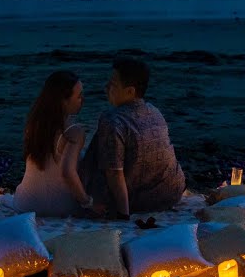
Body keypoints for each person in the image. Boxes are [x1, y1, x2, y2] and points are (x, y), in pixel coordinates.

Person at [79, 55, 186, 219]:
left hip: (139, 201)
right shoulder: (154, 111)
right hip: (171, 192)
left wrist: (123, 214)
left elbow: (114, 172)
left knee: (90, 152)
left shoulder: (112, 119)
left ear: (130, 91)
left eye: (113, 84)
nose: (106, 87)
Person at [12, 70, 96, 217]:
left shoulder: (34, 126)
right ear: (63, 100)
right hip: (60, 208)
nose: (83, 99)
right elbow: (67, 172)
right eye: (79, 96)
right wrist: (88, 202)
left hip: (25, 204)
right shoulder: (74, 131)